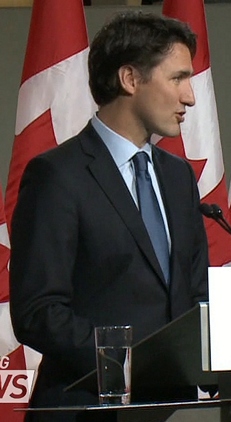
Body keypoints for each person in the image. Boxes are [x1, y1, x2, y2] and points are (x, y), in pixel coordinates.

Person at [9, 11, 208, 421]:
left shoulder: (178, 177)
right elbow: (38, 311)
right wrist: (128, 361)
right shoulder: (57, 176)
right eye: (177, 78)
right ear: (130, 79)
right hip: (86, 409)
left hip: (175, 410)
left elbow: (196, 294)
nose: (190, 96)